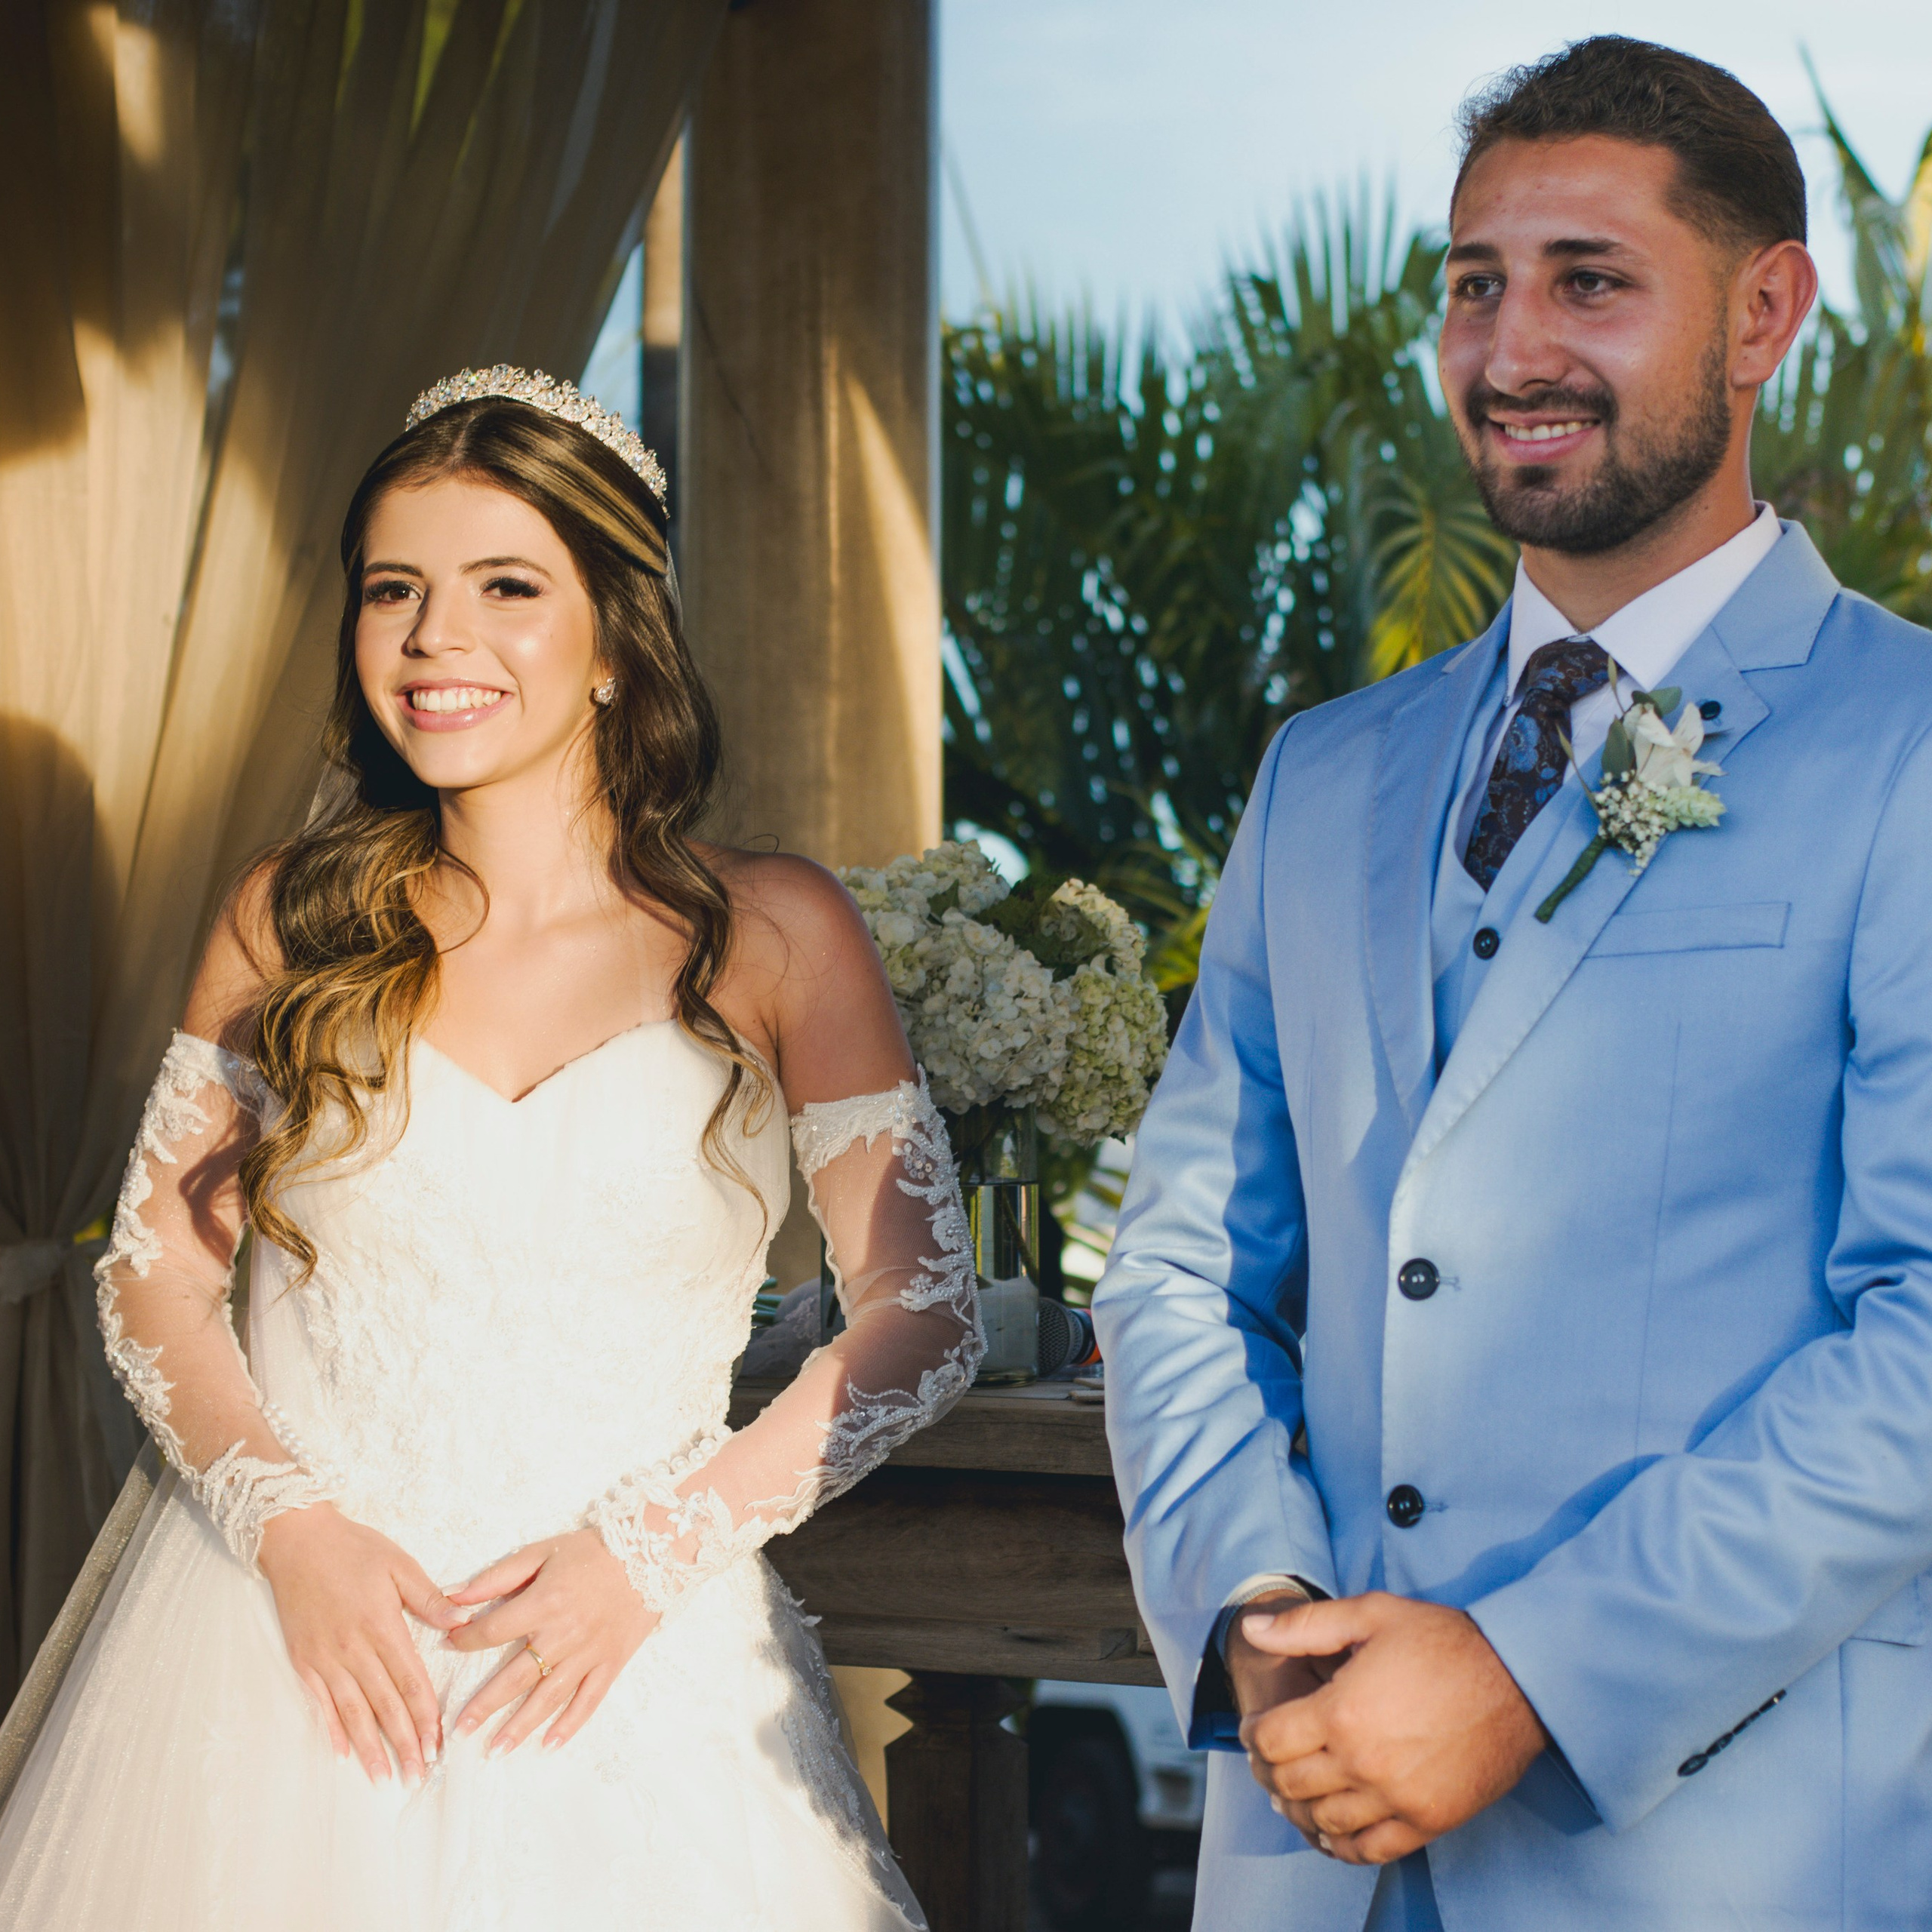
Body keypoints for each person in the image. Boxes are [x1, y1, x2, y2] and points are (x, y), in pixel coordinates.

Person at [1095, 35, 1932, 1932]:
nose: (1509, 348)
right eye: (1474, 284)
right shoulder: (1321, 772)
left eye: (1588, 281)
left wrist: (1526, 1673)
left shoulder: (1908, 742)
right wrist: (1256, 1615)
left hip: (1712, 1853)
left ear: (1762, 313)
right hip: (1309, 1840)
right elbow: (1180, 1264)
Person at [0, 368, 981, 1928]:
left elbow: (920, 1309)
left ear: (616, 638)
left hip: (626, 1670)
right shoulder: (290, 918)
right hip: (285, 1652)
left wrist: (651, 1553)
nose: (433, 636)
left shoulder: (774, 932)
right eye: (394, 588)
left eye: (505, 587)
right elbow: (154, 1275)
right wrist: (289, 1528)